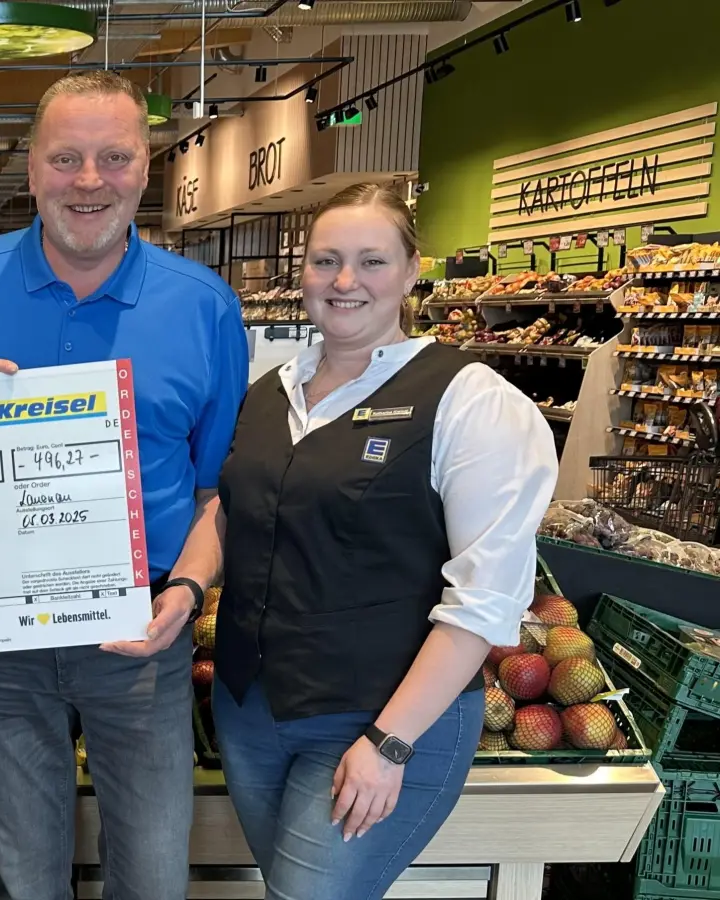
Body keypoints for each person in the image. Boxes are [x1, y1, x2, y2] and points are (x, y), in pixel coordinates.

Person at [0, 70, 247, 899]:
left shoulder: (203, 307)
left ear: (147, 167)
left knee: (152, 873)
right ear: (31, 170)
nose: (89, 181)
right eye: (66, 158)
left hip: (142, 634)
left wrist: (187, 593)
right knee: (26, 875)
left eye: (113, 157)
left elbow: (221, 491)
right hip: (1, 643)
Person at [212, 182, 559, 900]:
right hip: (253, 714)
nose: (344, 282)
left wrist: (389, 741)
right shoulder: (270, 390)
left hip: (383, 719)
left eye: (371, 261)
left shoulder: (471, 401)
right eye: (325, 260)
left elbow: (485, 599)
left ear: (410, 271)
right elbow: (233, 512)